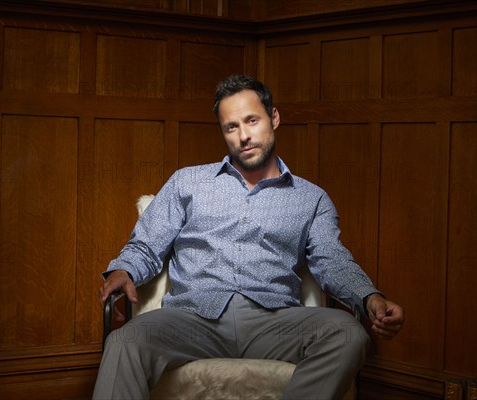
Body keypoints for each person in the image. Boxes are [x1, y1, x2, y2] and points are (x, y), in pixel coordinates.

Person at [94, 75, 404, 399]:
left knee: (349, 334)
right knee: (124, 341)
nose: (243, 136)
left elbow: (332, 260)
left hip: (273, 321)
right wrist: (123, 271)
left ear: (274, 118)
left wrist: (370, 297)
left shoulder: (311, 199)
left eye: (252, 120)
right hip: (192, 318)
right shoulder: (186, 182)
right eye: (231, 127)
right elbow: (147, 243)